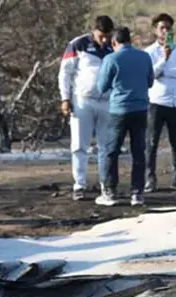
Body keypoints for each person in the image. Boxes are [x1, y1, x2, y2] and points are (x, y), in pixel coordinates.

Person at [57, 15, 115, 201]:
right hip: (83, 101)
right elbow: (65, 73)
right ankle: (79, 185)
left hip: (108, 101)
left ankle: (105, 184)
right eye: (101, 36)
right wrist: (65, 98)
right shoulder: (78, 44)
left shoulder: (114, 46)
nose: (104, 40)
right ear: (93, 31)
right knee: (79, 146)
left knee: (106, 146)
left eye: (107, 35)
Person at [95, 27, 154, 206]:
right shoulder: (144, 57)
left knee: (111, 151)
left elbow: (102, 86)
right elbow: (150, 82)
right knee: (138, 151)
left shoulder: (111, 58)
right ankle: (137, 193)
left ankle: (110, 192)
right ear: (130, 40)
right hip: (140, 109)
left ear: (114, 42)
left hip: (119, 110)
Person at [144, 13, 176, 192]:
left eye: (168, 28)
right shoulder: (150, 52)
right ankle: (150, 178)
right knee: (152, 142)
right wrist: (164, 59)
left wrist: (166, 70)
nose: (165, 31)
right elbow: (152, 74)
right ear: (155, 30)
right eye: (161, 28)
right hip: (156, 102)